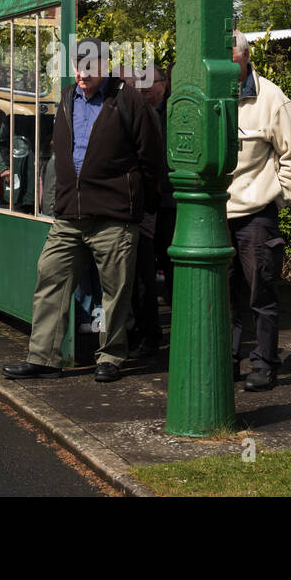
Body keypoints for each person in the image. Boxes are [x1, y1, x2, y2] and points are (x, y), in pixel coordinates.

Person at [3, 38, 164, 384]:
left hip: (114, 216)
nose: (81, 74)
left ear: (105, 66)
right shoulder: (66, 98)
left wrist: (140, 207)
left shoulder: (127, 99)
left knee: (115, 290)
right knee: (50, 277)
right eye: (77, 66)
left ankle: (111, 356)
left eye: (89, 68)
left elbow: (151, 158)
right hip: (70, 215)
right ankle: (44, 357)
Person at [227, 31, 291, 392]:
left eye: (228, 54)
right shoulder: (208, 92)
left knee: (260, 293)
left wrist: (277, 196)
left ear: (245, 57)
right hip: (212, 216)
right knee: (223, 295)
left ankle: (263, 363)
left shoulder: (272, 98)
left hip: (255, 215)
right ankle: (226, 359)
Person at [128, 62, 174, 359]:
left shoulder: (172, 111)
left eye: (150, 84)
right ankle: (147, 333)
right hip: (146, 204)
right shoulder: (140, 112)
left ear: (164, 82)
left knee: (168, 269)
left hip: (167, 202)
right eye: (140, 86)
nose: (146, 91)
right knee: (142, 273)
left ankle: (165, 332)